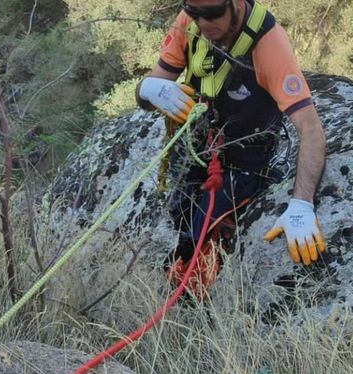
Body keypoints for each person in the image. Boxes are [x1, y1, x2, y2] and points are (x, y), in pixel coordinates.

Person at [135, 0, 327, 298]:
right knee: (181, 219)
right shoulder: (190, 21)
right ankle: (181, 270)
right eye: (194, 14)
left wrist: (302, 204)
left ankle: (189, 299)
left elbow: (311, 129)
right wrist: (148, 89)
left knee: (205, 237)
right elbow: (149, 91)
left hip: (243, 159)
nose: (203, 23)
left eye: (212, 15)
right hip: (194, 145)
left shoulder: (268, 43)